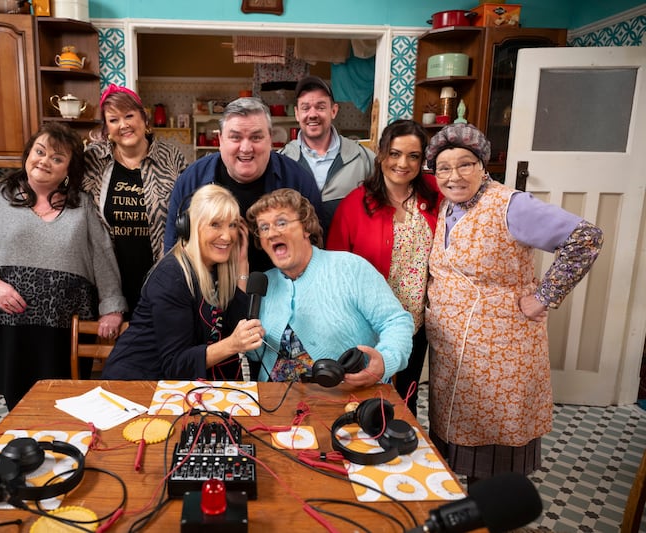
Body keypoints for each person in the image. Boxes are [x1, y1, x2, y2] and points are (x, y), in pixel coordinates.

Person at [424, 123, 603, 484]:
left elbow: (586, 238)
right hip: (454, 349)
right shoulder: (448, 206)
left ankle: (494, 509)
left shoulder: (511, 205)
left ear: (482, 166)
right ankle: (465, 503)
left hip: (500, 349)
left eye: (465, 165)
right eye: (444, 167)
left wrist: (544, 298)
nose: (454, 175)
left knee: (494, 435)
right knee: (458, 425)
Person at [0, 122, 127, 410]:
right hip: (7, 324)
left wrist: (111, 308)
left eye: (57, 158)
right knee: (18, 403)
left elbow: (102, 256)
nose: (44, 161)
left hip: (61, 328)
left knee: (64, 402)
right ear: (28, 154)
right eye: (40, 151)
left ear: (68, 171)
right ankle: (26, 450)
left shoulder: (82, 206)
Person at [328, 119, 442, 417]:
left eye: (413, 156)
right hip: (369, 321)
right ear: (380, 154)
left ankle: (405, 458)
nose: (403, 163)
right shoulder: (355, 204)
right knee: (364, 397)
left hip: (417, 321)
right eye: (394, 153)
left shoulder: (435, 195)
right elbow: (336, 269)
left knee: (406, 397)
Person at [244, 188, 414, 386]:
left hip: (349, 397)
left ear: (306, 227)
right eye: (264, 227)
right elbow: (255, 355)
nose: (272, 233)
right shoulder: (264, 283)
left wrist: (386, 362)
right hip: (276, 403)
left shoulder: (350, 268)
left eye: (281, 222)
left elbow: (396, 321)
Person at [102, 184, 263, 380]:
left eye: (232, 225)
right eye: (215, 224)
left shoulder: (217, 268)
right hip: (134, 384)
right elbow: (176, 365)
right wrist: (232, 344)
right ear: (190, 227)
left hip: (173, 387)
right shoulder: (172, 277)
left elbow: (235, 323)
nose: (227, 236)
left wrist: (242, 264)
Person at [164, 97, 324, 273]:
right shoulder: (191, 180)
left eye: (256, 137)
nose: (246, 148)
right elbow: (173, 253)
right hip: (208, 293)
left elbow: (318, 254)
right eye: (235, 138)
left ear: (270, 138)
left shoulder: (299, 180)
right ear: (220, 139)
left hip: (284, 293)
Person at [84, 84, 188, 316]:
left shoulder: (171, 158)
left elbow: (188, 215)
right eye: (113, 120)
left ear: (144, 117)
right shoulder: (94, 160)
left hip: (162, 275)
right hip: (107, 280)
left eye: (129, 115)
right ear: (106, 127)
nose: (124, 125)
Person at [279, 75, 375, 237]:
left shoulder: (364, 159)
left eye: (320, 107)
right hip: (298, 259)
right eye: (305, 107)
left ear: (334, 111)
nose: (313, 114)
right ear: (296, 113)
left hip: (347, 257)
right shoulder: (282, 162)